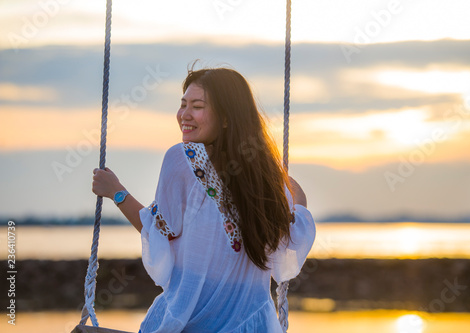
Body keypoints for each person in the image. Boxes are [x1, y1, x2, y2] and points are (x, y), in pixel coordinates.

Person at [92, 67, 316, 332]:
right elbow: (295, 233)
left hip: (191, 319)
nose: (184, 115)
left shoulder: (183, 158)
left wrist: (117, 192)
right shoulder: (264, 174)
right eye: (183, 104)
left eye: (197, 106)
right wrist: (288, 192)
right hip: (253, 325)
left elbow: (161, 231)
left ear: (225, 118)